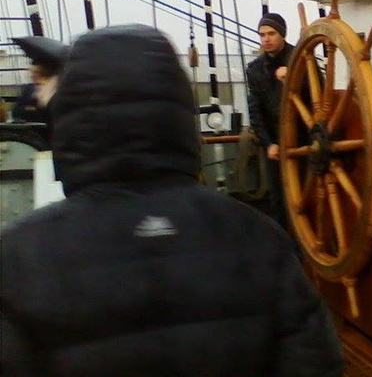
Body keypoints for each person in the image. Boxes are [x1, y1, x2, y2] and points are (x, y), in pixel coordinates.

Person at [0, 24, 343, 377]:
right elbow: (314, 363)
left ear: (70, 112)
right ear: (178, 110)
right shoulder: (261, 238)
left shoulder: (17, 258)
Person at [246, 13, 294, 229]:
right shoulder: (254, 69)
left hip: (303, 139)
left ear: (282, 34)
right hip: (274, 142)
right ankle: (284, 240)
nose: (266, 39)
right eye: (262, 35)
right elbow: (255, 109)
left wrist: (293, 76)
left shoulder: (301, 59)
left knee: (304, 192)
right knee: (278, 198)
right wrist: (268, 143)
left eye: (271, 33)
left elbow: (317, 96)